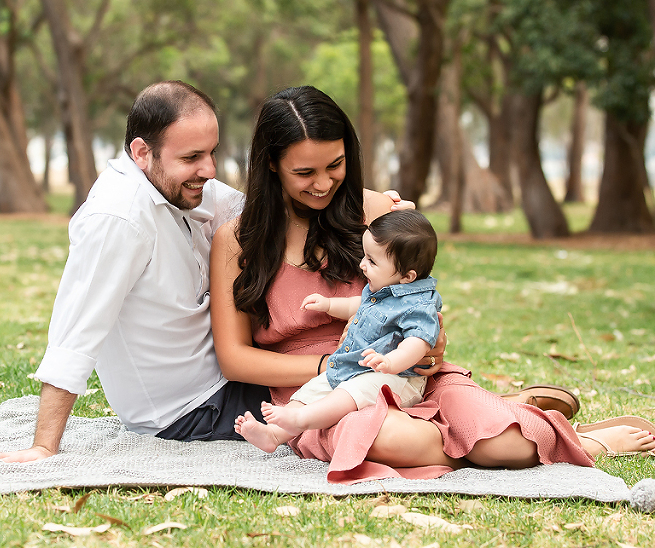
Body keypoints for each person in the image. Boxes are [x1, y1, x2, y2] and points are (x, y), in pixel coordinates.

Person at [210, 85, 655, 483]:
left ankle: (521, 429)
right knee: (390, 438)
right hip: (320, 395)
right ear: (272, 164)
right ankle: (525, 426)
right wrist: (331, 364)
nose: (324, 183)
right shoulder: (237, 240)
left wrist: (431, 346)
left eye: (336, 165)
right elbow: (234, 359)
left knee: (506, 447)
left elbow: (418, 304)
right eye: (305, 173)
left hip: (406, 373)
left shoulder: (376, 212)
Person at [0, 80, 276, 462]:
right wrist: (44, 445)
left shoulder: (173, 184)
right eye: (192, 157)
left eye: (212, 152)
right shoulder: (119, 219)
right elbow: (74, 334)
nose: (209, 169)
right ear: (142, 152)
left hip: (225, 381)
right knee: (338, 397)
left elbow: (254, 211)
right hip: (192, 412)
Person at [236, 209, 443, 453]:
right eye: (365, 256)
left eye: (372, 261)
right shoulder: (382, 288)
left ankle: (302, 420)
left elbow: (417, 343)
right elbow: (358, 305)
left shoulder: (419, 305)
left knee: (349, 392)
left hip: (398, 379)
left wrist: (390, 361)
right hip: (356, 368)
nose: (362, 265)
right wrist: (328, 305)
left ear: (408, 276)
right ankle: (274, 434)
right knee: (314, 388)